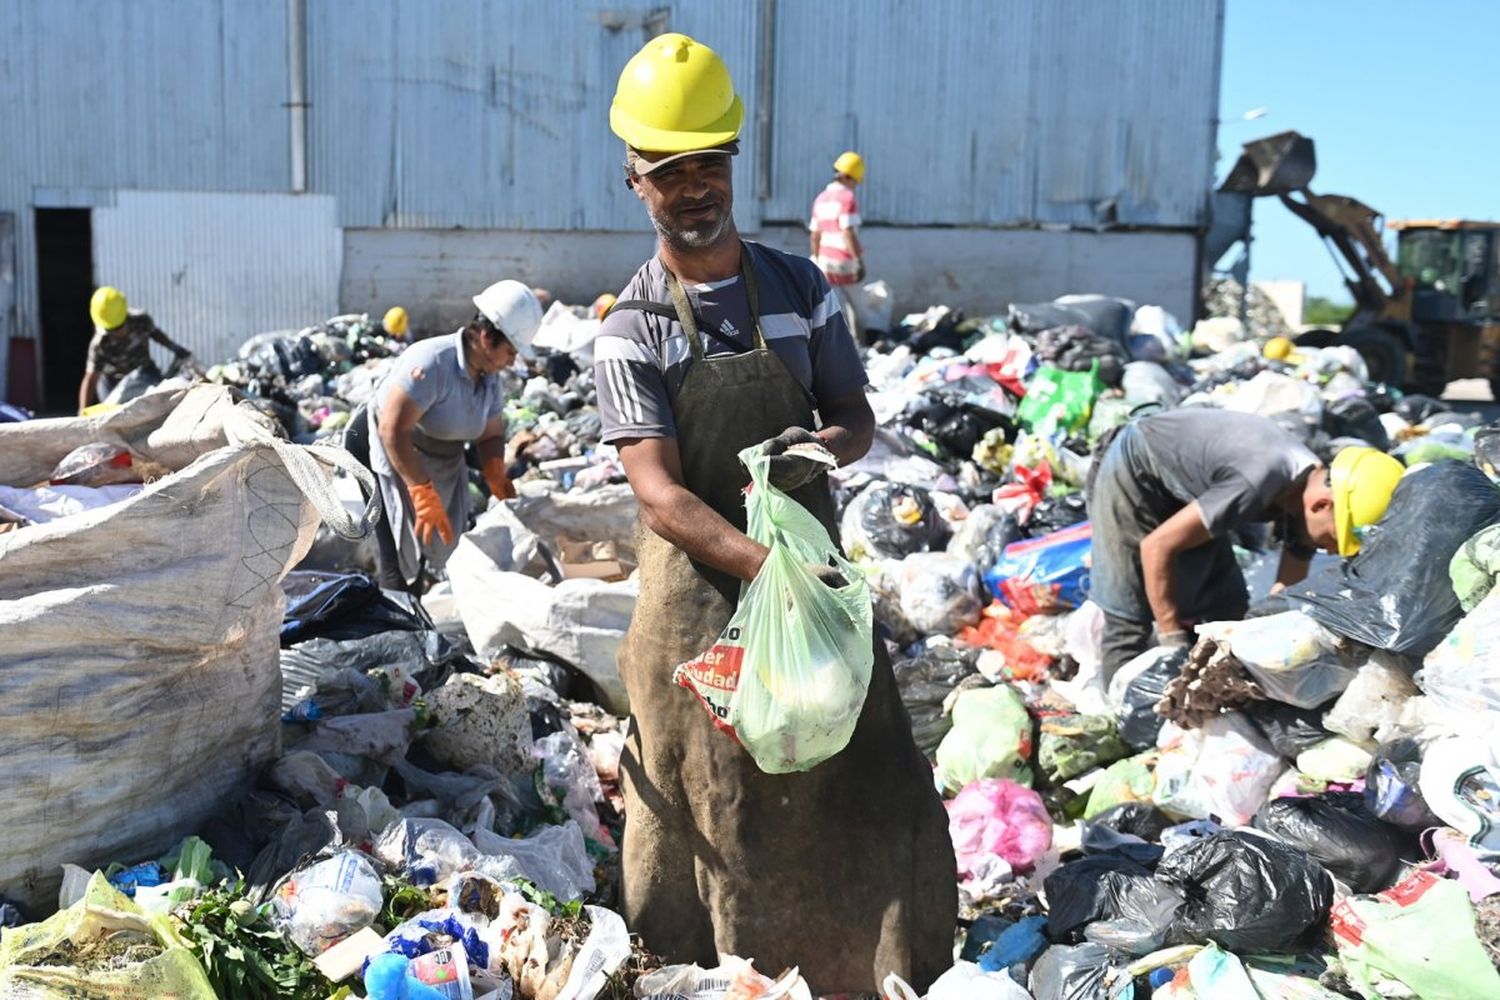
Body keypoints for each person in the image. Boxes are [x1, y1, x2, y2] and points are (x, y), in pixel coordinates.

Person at [596, 33, 955, 994]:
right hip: (699, 600)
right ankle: (698, 974)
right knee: (706, 810)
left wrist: (815, 452)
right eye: (670, 172)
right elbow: (661, 493)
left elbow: (854, 417)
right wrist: (765, 569)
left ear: (731, 163)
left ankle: (873, 965)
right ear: (635, 179)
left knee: (859, 773)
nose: (693, 187)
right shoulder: (630, 328)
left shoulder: (800, 288)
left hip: (809, 585)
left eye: (708, 164)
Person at [1086, 408, 1405, 679]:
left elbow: (1288, 578)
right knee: (1129, 609)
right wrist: (1171, 640)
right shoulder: (1258, 481)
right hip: (1134, 468)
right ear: (1322, 505)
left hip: (1188, 488)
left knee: (1227, 604)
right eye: (1337, 539)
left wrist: (1275, 641)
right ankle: (1124, 716)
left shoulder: (1306, 483)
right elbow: (1156, 547)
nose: (1333, 551)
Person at [363, 280, 542, 591]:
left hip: (441, 457)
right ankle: (397, 624)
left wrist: (495, 471)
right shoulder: (432, 362)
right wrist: (420, 491)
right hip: (391, 453)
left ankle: (422, 600)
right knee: (398, 557)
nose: (512, 361)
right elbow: (393, 430)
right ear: (486, 338)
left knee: (447, 547)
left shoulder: (489, 379)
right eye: (510, 351)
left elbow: (490, 435)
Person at [78, 286, 192, 412]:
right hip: (114, 381)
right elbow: (91, 379)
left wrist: (174, 347)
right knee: (112, 414)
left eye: (119, 328)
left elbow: (155, 333)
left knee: (160, 405)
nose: (118, 333)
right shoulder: (100, 343)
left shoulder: (141, 320)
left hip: (145, 373)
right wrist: (83, 411)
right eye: (112, 330)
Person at [810, 151, 865, 336]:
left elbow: (815, 235)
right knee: (856, 307)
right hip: (845, 261)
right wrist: (858, 261)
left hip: (825, 261)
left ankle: (835, 345)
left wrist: (817, 259)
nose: (855, 186)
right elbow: (848, 231)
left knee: (831, 309)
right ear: (851, 177)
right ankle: (859, 345)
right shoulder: (847, 198)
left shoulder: (821, 198)